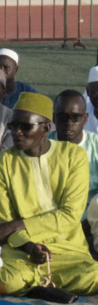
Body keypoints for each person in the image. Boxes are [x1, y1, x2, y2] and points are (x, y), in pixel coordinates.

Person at [0, 93, 98, 296]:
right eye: (13, 126)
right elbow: (4, 223)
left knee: (95, 275)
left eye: (25, 126)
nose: (17, 133)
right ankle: (49, 284)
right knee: (6, 280)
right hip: (22, 250)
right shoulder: (1, 164)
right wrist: (29, 246)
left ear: (46, 128)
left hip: (68, 249)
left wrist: (19, 224)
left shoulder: (74, 156)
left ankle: (38, 285)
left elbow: (70, 215)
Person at [48, 90, 98, 219]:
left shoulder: (96, 145)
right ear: (54, 118)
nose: (69, 123)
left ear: (85, 118)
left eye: (75, 117)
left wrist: (89, 223)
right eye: (63, 117)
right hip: (50, 216)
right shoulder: (42, 145)